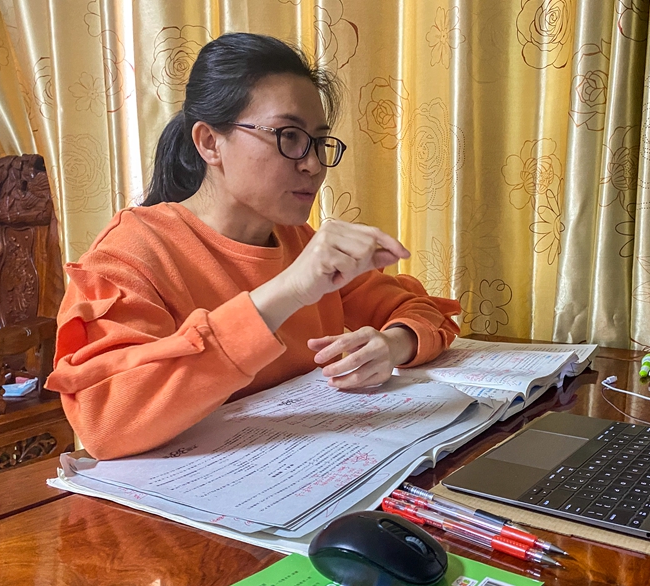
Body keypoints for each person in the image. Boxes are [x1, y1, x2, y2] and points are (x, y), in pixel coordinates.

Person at [46, 33, 460, 460]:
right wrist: (288, 291)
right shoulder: (133, 251)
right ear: (209, 142)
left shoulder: (298, 242)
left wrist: (392, 345)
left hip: (311, 469)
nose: (313, 164)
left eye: (319, 141)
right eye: (288, 136)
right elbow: (104, 421)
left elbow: (422, 312)